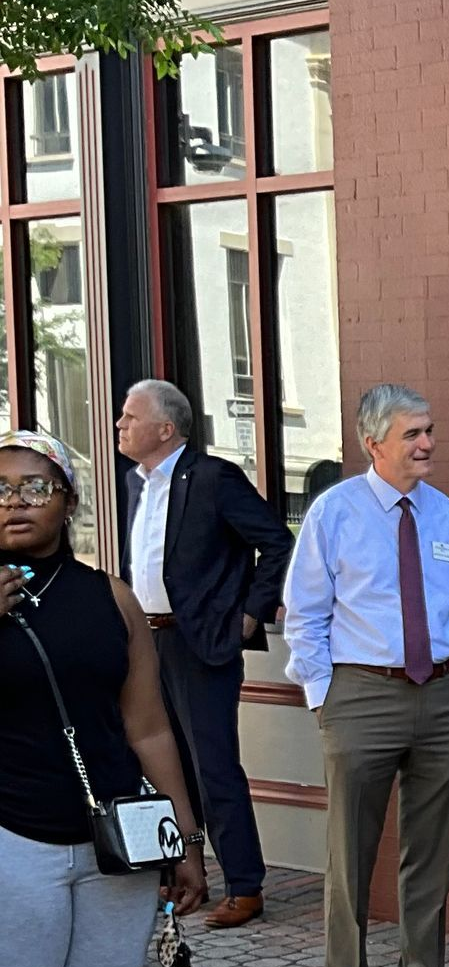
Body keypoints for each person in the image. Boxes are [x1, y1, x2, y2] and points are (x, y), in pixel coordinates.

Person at [0, 432, 208, 967]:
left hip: (115, 841)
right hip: (13, 836)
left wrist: (186, 840)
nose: (14, 499)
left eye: (34, 485)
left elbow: (148, 723)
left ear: (69, 500)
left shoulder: (110, 598)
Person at [282, 386, 449, 967]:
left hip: (446, 695)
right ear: (373, 443)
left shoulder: (448, 517)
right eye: (412, 434)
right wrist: (325, 697)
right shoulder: (334, 513)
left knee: (434, 845)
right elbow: (305, 613)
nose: (426, 444)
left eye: (429, 431)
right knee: (352, 848)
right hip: (361, 695)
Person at [116, 378, 292, 931]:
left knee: (212, 765)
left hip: (201, 643)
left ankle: (246, 884)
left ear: (165, 429)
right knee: (162, 765)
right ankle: (183, 870)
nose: (120, 425)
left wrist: (248, 613)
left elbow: (277, 541)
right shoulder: (132, 483)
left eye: (129, 416)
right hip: (145, 640)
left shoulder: (212, 477)